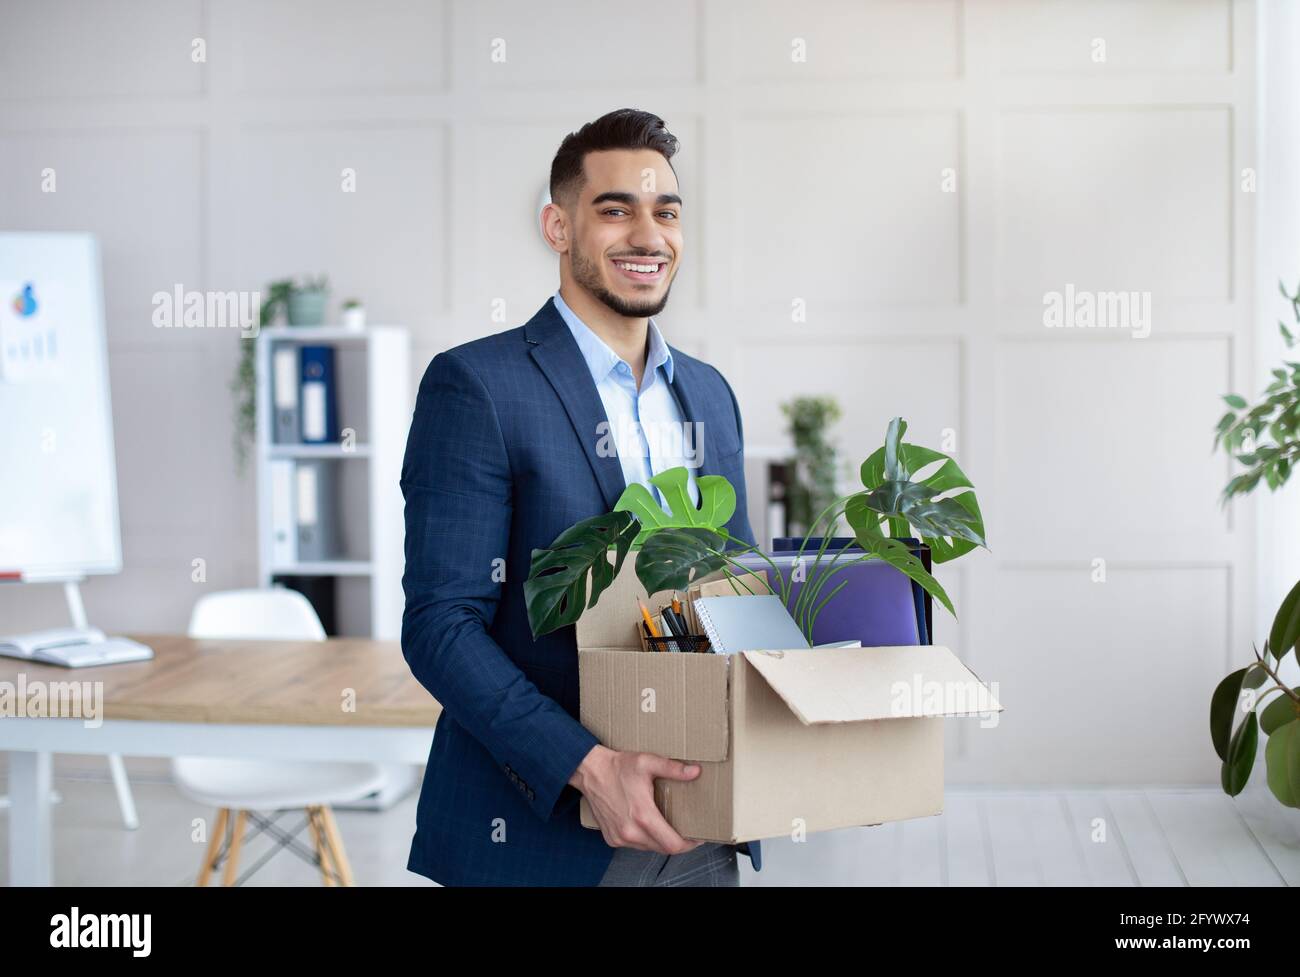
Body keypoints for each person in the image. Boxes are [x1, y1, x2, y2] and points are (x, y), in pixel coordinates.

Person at [401, 108, 758, 886]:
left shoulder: (710, 393)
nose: (648, 234)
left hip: (704, 826)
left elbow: (736, 591)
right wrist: (589, 766)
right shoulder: (477, 386)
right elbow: (439, 625)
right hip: (539, 835)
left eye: (666, 211)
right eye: (615, 209)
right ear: (557, 226)